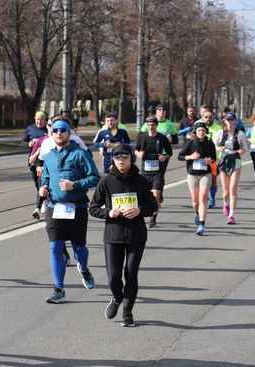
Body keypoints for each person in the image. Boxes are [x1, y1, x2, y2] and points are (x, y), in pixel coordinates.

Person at [89, 144, 157, 327]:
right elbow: (93, 208)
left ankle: (128, 311)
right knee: (113, 277)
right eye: (117, 157)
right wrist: (109, 212)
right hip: (113, 235)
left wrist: (139, 210)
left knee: (131, 273)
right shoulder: (106, 181)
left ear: (131, 159)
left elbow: (153, 206)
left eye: (124, 157)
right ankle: (117, 297)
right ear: (113, 160)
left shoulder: (142, 181)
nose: (121, 160)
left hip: (136, 235)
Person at [39, 119, 100, 304]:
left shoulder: (80, 154)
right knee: (55, 247)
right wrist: (44, 188)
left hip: (77, 207)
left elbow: (95, 177)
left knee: (79, 248)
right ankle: (59, 289)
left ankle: (83, 267)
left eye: (63, 130)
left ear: (69, 133)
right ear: (52, 134)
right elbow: (47, 177)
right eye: (56, 130)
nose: (59, 133)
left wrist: (75, 185)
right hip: (55, 208)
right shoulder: (49, 156)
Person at [177, 121, 216, 236]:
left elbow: (214, 157)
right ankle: (198, 213)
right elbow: (180, 156)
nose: (201, 132)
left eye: (203, 130)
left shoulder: (210, 143)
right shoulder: (190, 143)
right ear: (195, 132)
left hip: (206, 173)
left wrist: (211, 161)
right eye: (199, 130)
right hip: (192, 174)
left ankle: (202, 225)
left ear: (206, 132)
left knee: (203, 199)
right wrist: (191, 157)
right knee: (195, 201)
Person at [134, 116, 172, 228]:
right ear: (146, 125)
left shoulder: (162, 138)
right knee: (143, 196)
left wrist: (164, 157)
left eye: (153, 125)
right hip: (145, 172)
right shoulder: (142, 138)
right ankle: (142, 214)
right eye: (149, 125)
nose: (151, 127)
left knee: (155, 196)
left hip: (157, 172)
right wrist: (139, 154)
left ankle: (153, 218)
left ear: (156, 125)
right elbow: (136, 149)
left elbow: (169, 152)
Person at [213, 112, 248, 224]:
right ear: (225, 121)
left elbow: (244, 149)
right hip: (224, 161)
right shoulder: (220, 133)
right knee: (226, 191)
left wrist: (239, 151)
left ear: (235, 120)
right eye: (228, 120)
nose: (230, 122)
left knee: (233, 189)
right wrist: (219, 149)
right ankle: (225, 203)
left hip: (236, 161)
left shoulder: (240, 134)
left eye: (232, 119)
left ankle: (231, 215)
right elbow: (214, 146)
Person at [23, 111, 49, 219]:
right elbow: (23, 141)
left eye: (41, 120)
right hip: (33, 159)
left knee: (42, 184)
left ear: (45, 120)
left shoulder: (49, 130)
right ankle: (43, 199)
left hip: (45, 161)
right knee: (37, 184)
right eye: (37, 119)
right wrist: (27, 144)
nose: (39, 122)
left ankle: (42, 202)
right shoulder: (30, 129)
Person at [199, 109, 223, 208]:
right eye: (206, 117)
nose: (208, 119)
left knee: (213, 179)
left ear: (213, 118)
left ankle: (212, 198)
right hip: (201, 158)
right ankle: (204, 197)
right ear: (203, 117)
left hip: (214, 158)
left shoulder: (218, 128)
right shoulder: (200, 128)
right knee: (201, 179)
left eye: (210, 117)